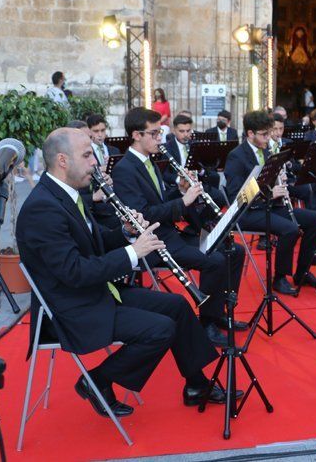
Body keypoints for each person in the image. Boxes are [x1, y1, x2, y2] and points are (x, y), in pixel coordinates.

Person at [16, 128, 228, 417]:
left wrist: (126, 234)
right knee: (160, 329)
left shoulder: (66, 194)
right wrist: (134, 252)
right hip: (72, 309)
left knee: (177, 305)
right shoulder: (43, 207)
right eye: (87, 155)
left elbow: (95, 240)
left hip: (96, 292)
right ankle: (97, 380)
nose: (95, 162)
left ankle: (196, 384)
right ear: (63, 161)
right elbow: (74, 272)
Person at [111, 107, 246, 339]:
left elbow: (161, 201)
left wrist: (181, 191)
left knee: (234, 250)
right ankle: (206, 323)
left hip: (170, 234)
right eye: (153, 133)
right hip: (154, 242)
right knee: (215, 260)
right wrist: (183, 201)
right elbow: (143, 214)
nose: (159, 138)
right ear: (136, 135)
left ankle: (218, 310)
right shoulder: (125, 169)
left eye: (159, 133)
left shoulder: (150, 162)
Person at [224, 110, 316, 295]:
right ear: (250, 134)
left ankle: (302, 272)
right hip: (248, 212)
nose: (269, 138)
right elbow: (235, 196)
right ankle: (280, 277)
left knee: (314, 219)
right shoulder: (237, 156)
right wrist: (268, 194)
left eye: (269, 133)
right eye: (264, 134)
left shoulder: (267, 150)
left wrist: (281, 178)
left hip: (270, 206)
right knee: (290, 229)